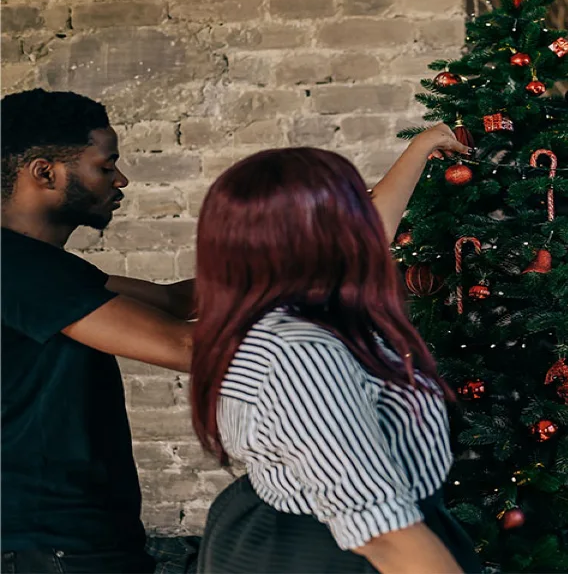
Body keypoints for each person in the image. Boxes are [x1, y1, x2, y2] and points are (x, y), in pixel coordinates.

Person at [191, 128, 482, 573]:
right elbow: (383, 533)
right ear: (330, 233)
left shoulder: (276, 316)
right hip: (338, 555)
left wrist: (422, 147)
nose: (368, 219)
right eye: (355, 207)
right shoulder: (300, 351)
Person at [1, 89, 195, 573]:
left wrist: (308, 257)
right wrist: (357, 304)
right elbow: (186, 344)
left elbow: (176, 301)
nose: (121, 180)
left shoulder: (43, 268)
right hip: (50, 547)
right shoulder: (18, 268)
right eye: (105, 167)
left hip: (62, 542)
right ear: (45, 172)